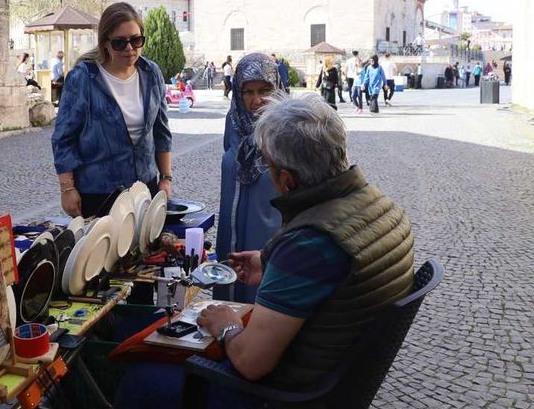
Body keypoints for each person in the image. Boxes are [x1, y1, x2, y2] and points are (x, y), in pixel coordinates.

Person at [115, 95, 415, 409]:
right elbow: (330, 271)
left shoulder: (308, 245)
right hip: (336, 371)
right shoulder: (380, 206)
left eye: (270, 166)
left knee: (141, 377)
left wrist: (226, 324)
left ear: (287, 180)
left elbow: (250, 361)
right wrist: (269, 262)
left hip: (288, 393)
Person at [51, 2, 172, 218]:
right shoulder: (83, 78)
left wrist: (166, 178)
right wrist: (67, 189)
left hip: (145, 189)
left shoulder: (151, 73)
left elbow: (162, 132)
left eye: (136, 40)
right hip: (98, 193)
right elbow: (63, 139)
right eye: (120, 43)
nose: (130, 48)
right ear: (105, 43)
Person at [215, 53, 283, 304]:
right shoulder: (233, 122)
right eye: (248, 92)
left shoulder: (287, 128)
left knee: (262, 292)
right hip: (231, 228)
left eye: (264, 90)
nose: (257, 101)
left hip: (268, 230)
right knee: (230, 287)